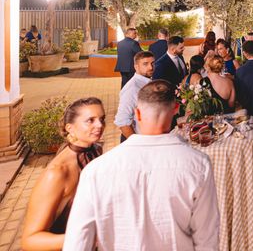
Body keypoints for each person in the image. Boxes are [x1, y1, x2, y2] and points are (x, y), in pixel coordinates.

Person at [62, 80, 219, 250]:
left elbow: (77, 242)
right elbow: (206, 237)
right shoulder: (198, 164)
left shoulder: (96, 170)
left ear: (137, 113)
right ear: (175, 110)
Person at [22, 98, 105, 251]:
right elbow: (30, 241)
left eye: (102, 119)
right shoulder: (56, 173)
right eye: (90, 120)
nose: (99, 125)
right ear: (70, 128)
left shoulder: (95, 149)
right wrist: (89, 237)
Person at [114, 51, 155, 141]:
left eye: (152, 63)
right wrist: (137, 144)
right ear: (136, 67)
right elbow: (122, 121)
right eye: (145, 64)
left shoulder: (148, 82)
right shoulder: (132, 88)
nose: (151, 67)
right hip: (137, 141)